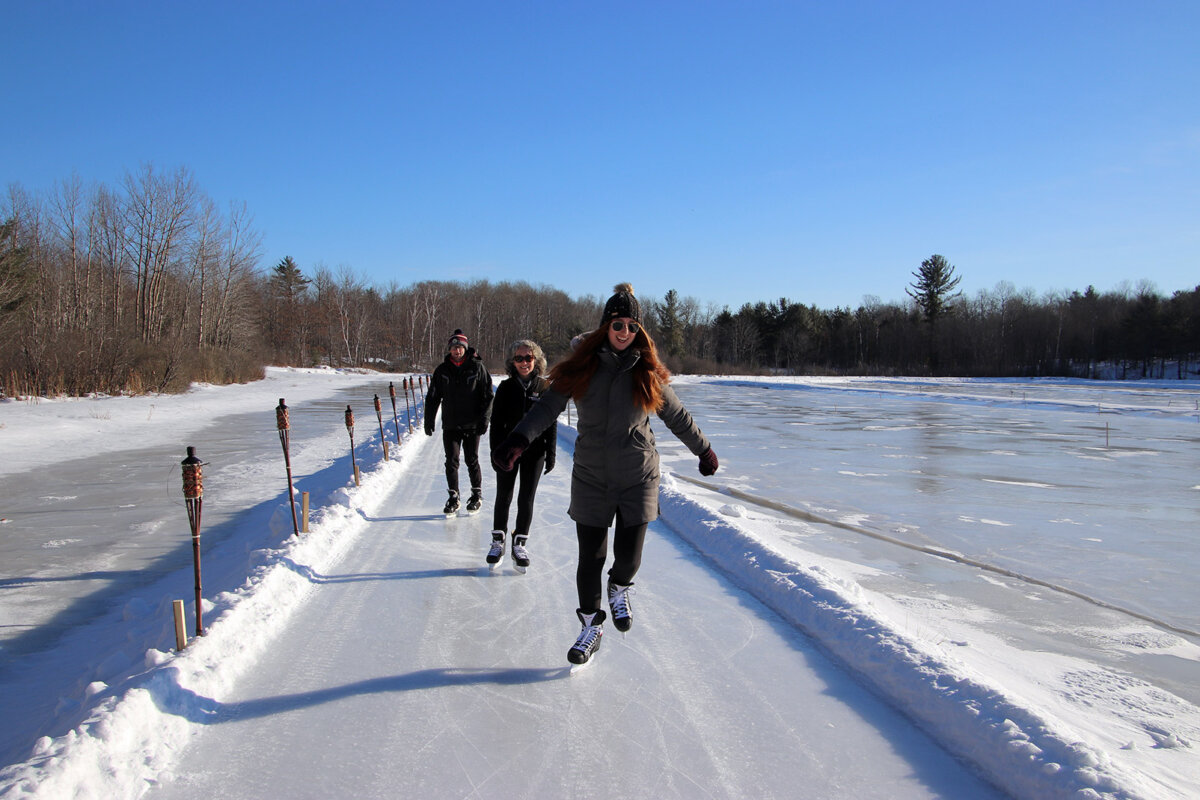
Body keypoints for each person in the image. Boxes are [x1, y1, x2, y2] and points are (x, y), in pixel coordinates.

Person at [492, 283, 719, 665]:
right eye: (618, 324)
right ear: (605, 326)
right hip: (592, 476)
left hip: (638, 475)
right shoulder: (582, 367)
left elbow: (676, 415)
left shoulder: (647, 372)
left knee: (628, 559)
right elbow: (547, 407)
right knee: (591, 558)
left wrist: (703, 449)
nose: (624, 332)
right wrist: (518, 440)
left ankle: (619, 585)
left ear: (639, 330)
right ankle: (590, 627)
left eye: (632, 326)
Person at [487, 339, 557, 571]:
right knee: (504, 495)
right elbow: (496, 423)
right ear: (512, 361)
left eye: (528, 358)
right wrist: (495, 452)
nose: (524, 362)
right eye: (519, 358)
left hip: (535, 452)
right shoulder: (505, 388)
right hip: (508, 451)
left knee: (526, 497)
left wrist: (551, 453)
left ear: (536, 360)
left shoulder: (544, 387)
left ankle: (520, 544)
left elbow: (551, 423)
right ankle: (498, 541)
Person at [425, 329, 494, 515]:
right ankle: (453, 497)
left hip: (472, 423)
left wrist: (485, 419)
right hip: (451, 424)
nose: (457, 350)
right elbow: (433, 397)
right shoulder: (442, 370)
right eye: (454, 347)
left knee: (472, 460)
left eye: (460, 347)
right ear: (450, 349)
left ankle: (476, 495)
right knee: (451, 461)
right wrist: (429, 420)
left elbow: (488, 395)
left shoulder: (477, 367)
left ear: (465, 348)